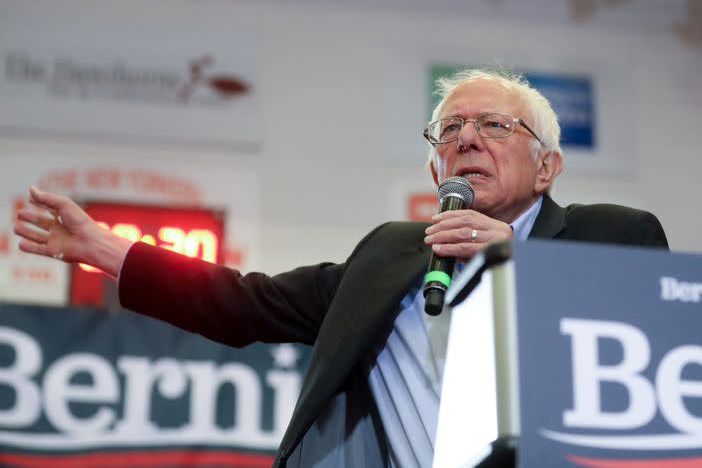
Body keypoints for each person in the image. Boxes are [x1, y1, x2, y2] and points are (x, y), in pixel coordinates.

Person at [14, 68, 668, 467]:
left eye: (494, 125)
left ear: (547, 165)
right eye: (449, 130)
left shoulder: (610, 233)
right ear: (435, 167)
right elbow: (247, 302)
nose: (465, 138)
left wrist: (514, 263)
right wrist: (105, 248)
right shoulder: (389, 253)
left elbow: (650, 356)